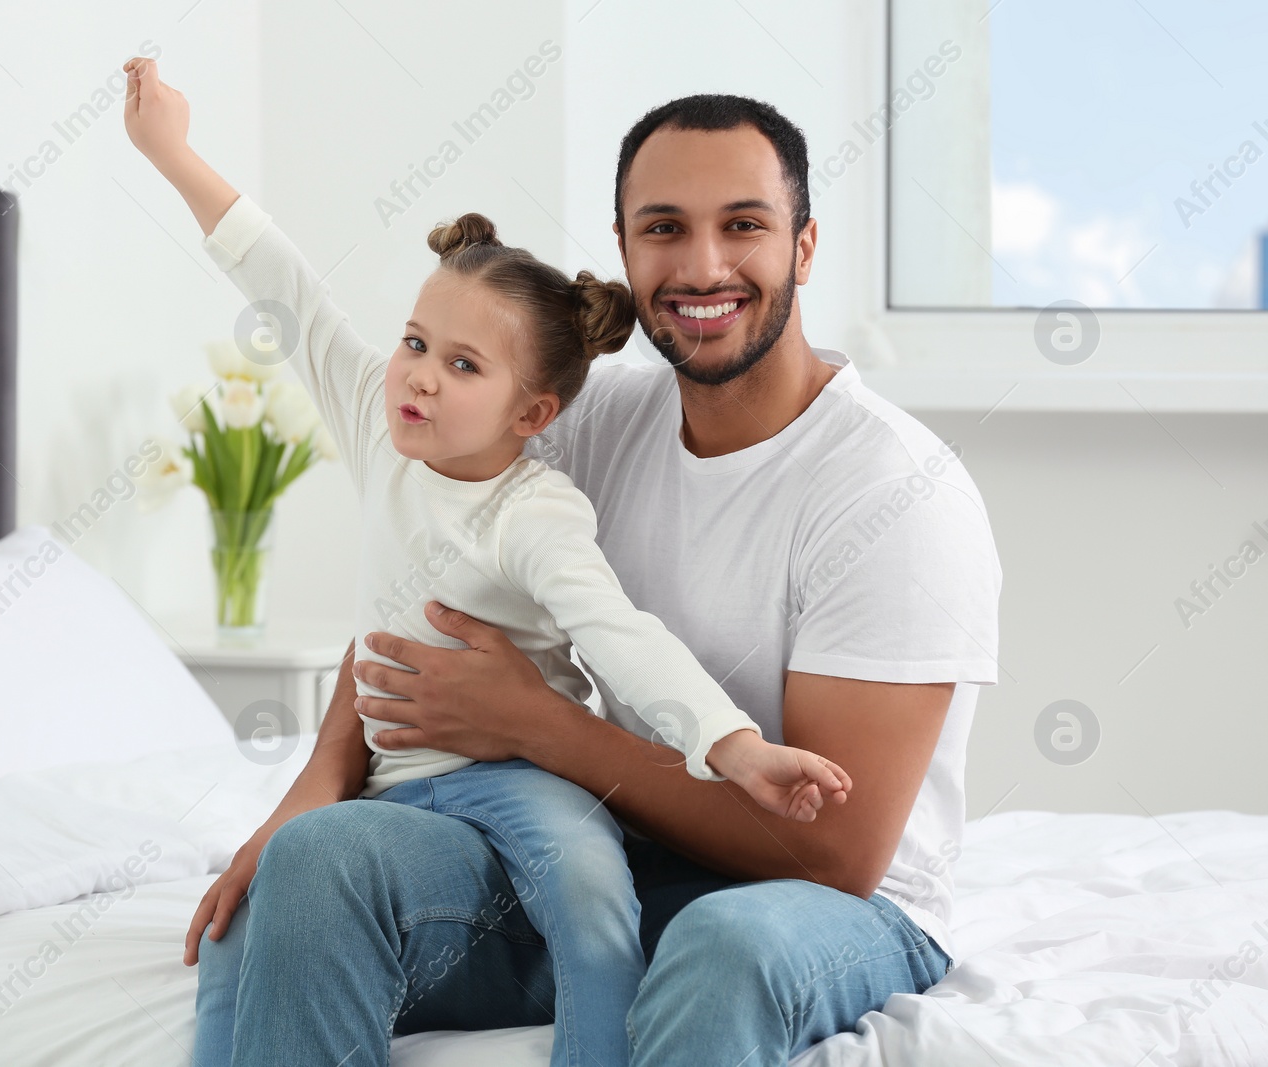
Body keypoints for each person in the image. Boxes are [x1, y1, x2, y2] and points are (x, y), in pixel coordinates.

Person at [123, 62, 857, 1067]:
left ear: (533, 414)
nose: (421, 372)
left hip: (516, 777)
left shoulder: (536, 508)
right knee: (240, 924)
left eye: (463, 364)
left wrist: (736, 748)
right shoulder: (385, 430)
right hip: (395, 784)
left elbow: (620, 638)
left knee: (593, 895)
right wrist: (172, 152)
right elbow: (281, 281)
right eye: (416, 341)